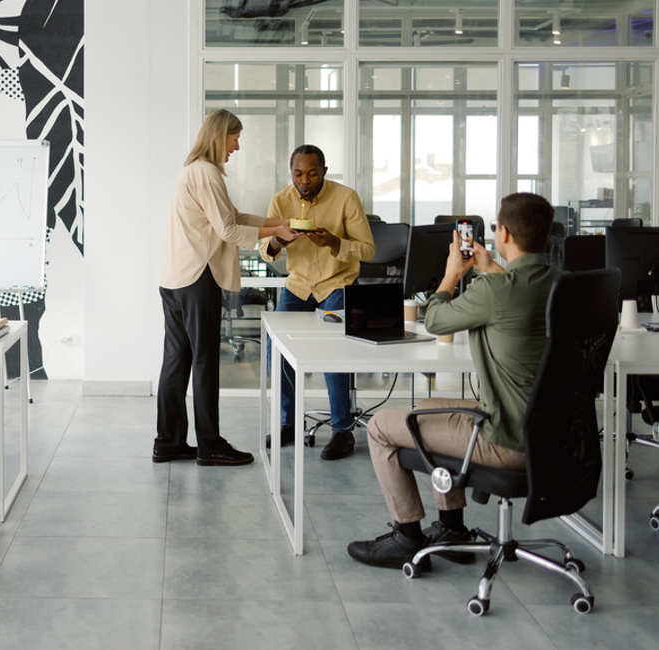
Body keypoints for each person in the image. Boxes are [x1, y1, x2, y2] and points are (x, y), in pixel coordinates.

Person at [346, 192, 561, 569]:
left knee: (381, 426)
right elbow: (518, 292)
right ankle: (451, 529)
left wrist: (451, 275)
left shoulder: (495, 291)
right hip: (551, 432)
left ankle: (406, 538)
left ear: (503, 233)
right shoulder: (564, 283)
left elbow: (435, 319)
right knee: (426, 409)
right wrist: (491, 266)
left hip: (508, 439)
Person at [155, 109, 302, 466]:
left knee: (177, 361)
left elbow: (234, 216)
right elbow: (230, 232)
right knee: (205, 361)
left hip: (175, 279)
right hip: (197, 279)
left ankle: (169, 442)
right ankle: (211, 445)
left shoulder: (193, 171)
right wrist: (275, 234)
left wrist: (278, 223)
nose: (237, 145)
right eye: (235, 137)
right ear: (220, 136)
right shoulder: (206, 174)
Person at [260, 144, 375, 459]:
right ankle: (288, 424)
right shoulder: (280, 201)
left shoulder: (345, 198)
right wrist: (277, 241)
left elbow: (368, 249)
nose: (305, 180)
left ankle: (342, 430)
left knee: (332, 357)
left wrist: (335, 242)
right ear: (291, 173)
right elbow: (263, 250)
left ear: (324, 171)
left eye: (311, 173)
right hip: (297, 287)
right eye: (298, 173)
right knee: (278, 355)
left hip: (335, 284)